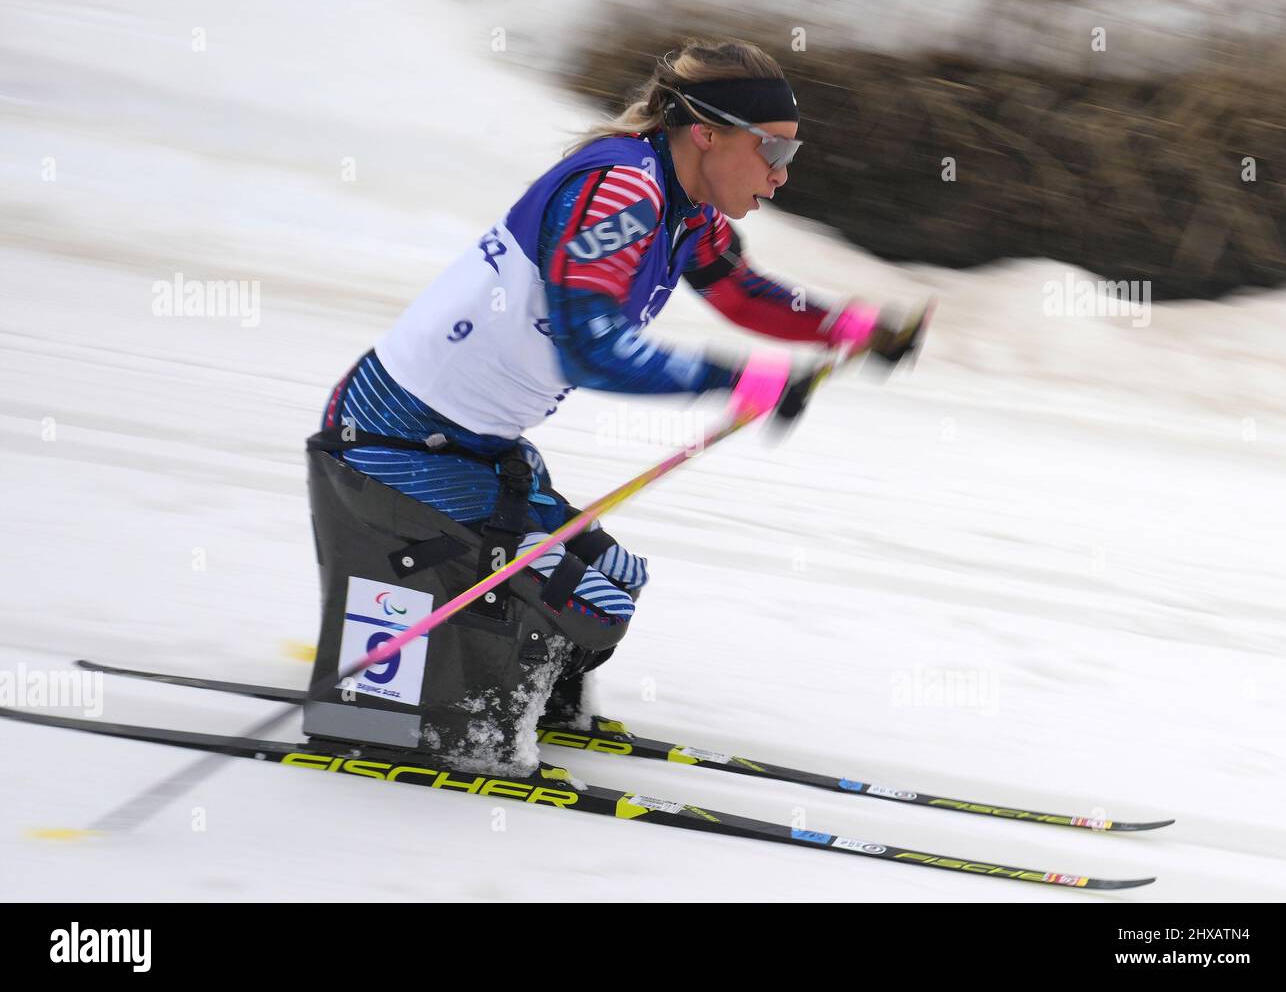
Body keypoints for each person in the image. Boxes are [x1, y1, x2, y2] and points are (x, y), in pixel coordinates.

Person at [302, 38, 926, 776]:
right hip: (392, 444)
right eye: (772, 153)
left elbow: (739, 291)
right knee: (592, 603)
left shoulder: (684, 206)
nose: (781, 176)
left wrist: (849, 327)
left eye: (792, 156)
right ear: (707, 133)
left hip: (474, 445)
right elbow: (589, 347)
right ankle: (450, 726)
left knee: (617, 576)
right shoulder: (621, 194)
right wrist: (740, 380)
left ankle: (531, 709)